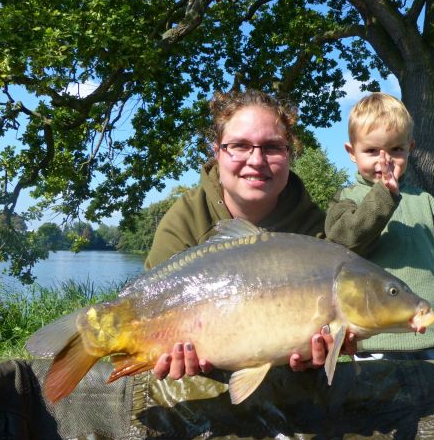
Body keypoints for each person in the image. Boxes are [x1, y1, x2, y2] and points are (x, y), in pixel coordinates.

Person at [145, 89, 356, 379]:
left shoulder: (313, 233)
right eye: (240, 146)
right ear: (217, 152)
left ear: (289, 155)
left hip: (285, 388)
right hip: (200, 380)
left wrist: (322, 353)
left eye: (271, 147)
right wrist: (164, 357)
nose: (256, 160)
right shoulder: (186, 219)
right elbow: (148, 306)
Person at [325, 92, 434, 360]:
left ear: (410, 148)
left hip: (432, 336)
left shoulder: (426, 202)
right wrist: (384, 196)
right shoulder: (347, 199)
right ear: (351, 152)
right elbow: (342, 241)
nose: (385, 161)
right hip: (375, 339)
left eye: (396, 149)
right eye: (371, 151)